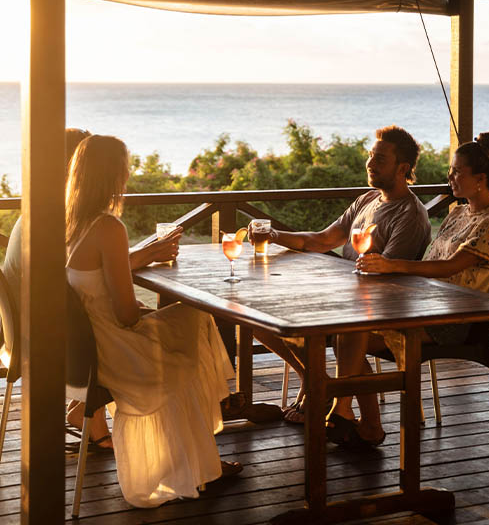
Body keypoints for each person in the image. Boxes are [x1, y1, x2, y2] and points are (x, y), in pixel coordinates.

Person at [65, 134, 241, 507]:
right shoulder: (108, 227)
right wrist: (146, 311)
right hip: (113, 351)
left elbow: (94, 282)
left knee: (188, 326)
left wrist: (136, 262)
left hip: (83, 351)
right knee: (196, 322)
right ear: (114, 176)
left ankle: (197, 457)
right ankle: (200, 462)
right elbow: (127, 315)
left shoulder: (67, 226)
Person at [326, 131, 489, 449]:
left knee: (350, 331)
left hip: (452, 321)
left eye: (457, 172)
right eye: (451, 170)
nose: (450, 176)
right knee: (344, 330)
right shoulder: (457, 214)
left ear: (480, 179)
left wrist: (392, 265)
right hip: (423, 305)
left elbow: (448, 267)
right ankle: (360, 422)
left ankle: (346, 414)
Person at [1, 127, 183, 453]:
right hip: (55, 347)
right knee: (169, 339)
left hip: (26, 337)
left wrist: (140, 256)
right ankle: (180, 442)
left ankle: (90, 420)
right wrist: (143, 257)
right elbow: (81, 282)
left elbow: (80, 278)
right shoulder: (54, 218)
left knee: (102, 317)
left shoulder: (44, 212)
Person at [249, 126, 431, 424]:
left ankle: (355, 416)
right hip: (348, 299)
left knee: (339, 333)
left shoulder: (409, 214)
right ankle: (315, 380)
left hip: (383, 311)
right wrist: (273, 234)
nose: (370, 163)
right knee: (257, 316)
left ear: (403, 169)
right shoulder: (367, 201)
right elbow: (320, 241)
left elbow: (387, 275)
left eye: (380, 159)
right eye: (371, 156)